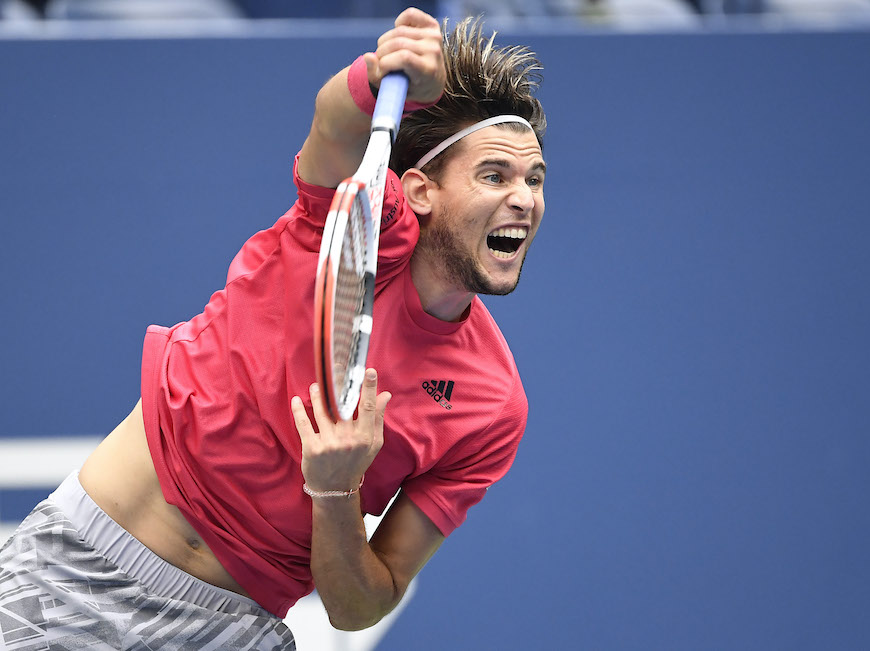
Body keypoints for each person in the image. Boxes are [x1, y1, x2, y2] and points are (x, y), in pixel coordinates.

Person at [0, 6, 546, 649]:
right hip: (77, 570)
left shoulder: (491, 405)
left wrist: (337, 486)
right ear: (420, 191)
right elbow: (333, 125)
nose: (526, 198)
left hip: (233, 630)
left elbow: (358, 607)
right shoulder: (362, 221)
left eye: (536, 179)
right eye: (495, 174)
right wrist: (377, 74)